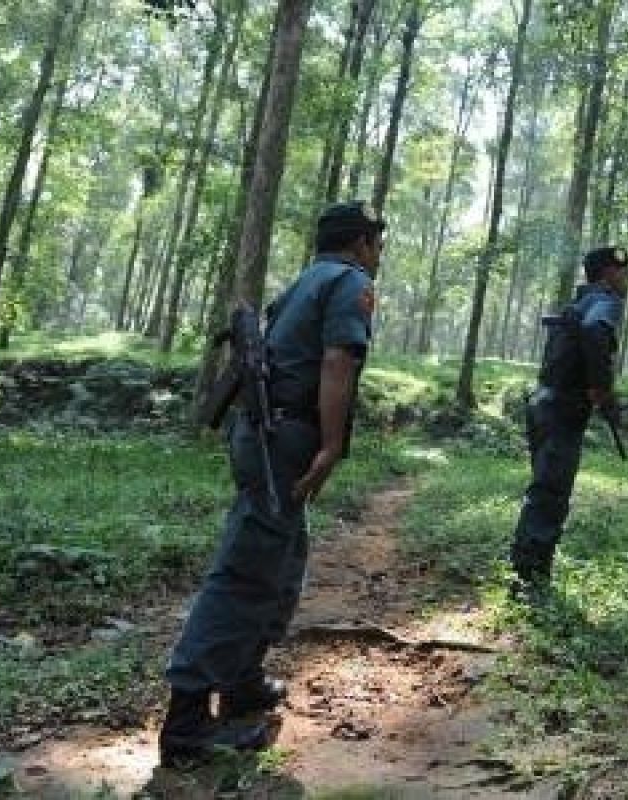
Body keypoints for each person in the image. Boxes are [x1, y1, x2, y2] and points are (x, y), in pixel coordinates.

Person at [158, 201, 384, 767]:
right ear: (360, 243)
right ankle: (186, 721)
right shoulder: (350, 282)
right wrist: (332, 446)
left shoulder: (305, 282)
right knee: (246, 569)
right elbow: (337, 364)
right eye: (375, 242)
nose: (377, 253)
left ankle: (242, 681)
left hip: (264, 435)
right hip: (283, 439)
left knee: (281, 560)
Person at [509, 246, 628, 600]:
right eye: (622, 274)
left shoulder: (578, 302)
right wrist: (601, 388)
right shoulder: (604, 303)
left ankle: (525, 570)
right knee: (550, 496)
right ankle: (529, 582)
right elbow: (595, 332)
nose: (625, 281)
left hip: (542, 405)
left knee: (543, 491)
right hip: (561, 409)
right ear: (608, 274)